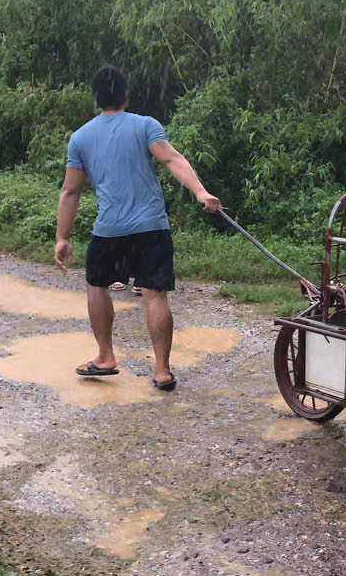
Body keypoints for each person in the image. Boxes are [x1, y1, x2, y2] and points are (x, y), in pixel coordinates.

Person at [54, 65, 221, 391]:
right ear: (126, 95)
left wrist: (62, 237)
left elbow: (70, 191)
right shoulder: (146, 125)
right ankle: (161, 371)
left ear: (96, 98)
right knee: (155, 295)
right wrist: (200, 191)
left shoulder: (80, 138)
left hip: (109, 230)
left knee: (97, 287)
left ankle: (105, 357)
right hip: (151, 228)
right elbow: (172, 159)